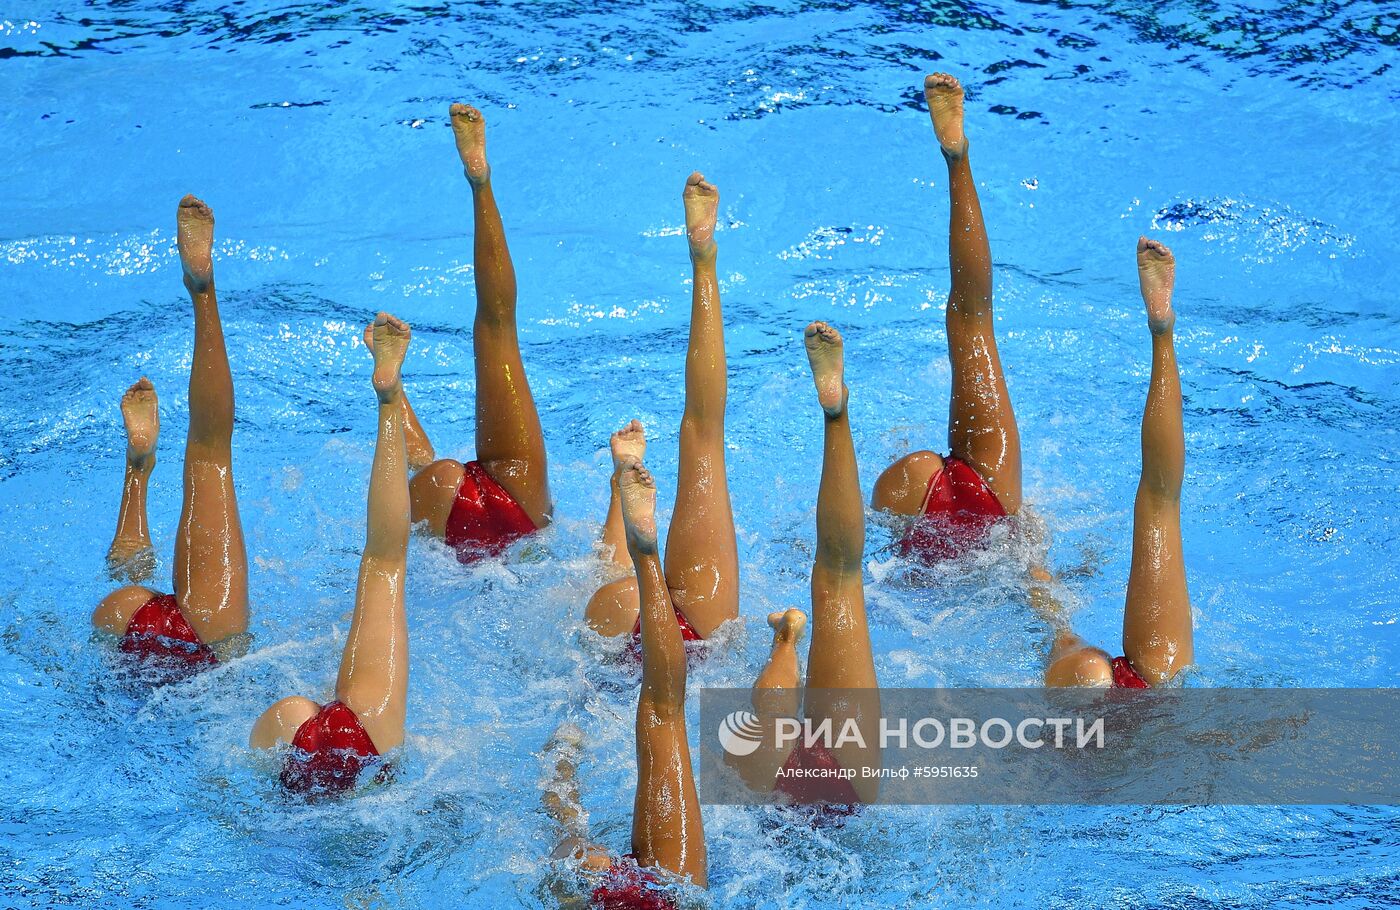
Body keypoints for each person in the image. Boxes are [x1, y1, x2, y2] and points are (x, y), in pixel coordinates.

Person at [368, 103, 550, 563]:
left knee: (497, 327)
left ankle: (480, 185)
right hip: (514, 510)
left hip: (450, 501)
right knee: (497, 328)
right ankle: (481, 183)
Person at [249, 313, 413, 793]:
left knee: (385, 563)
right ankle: (389, 402)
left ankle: (389, 402)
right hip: (295, 732)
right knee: (383, 563)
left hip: (344, 748)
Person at [725, 322, 881, 810]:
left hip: (822, 786)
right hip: (834, 786)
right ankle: (836, 416)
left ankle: (786, 639)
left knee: (841, 579)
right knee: (839, 578)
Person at [92, 195, 249, 671]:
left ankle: (138, 470)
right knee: (209, 454)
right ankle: (202, 292)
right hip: (206, 647)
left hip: (126, 623)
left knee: (209, 452)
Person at [545, 457, 708, 906]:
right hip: (652, 895)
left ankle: (646, 553)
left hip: (665, 898)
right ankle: (645, 552)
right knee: (663, 714)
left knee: (664, 713)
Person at [872, 74, 1022, 562]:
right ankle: (957, 158)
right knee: (971, 321)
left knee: (972, 321)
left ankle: (957, 158)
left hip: (945, 508)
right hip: (971, 504)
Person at [584, 173, 738, 645]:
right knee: (703, 441)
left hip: (623, 623)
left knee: (606, 580)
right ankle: (703, 261)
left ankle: (629, 510)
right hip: (690, 633)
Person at [1039, 239, 1193, 688]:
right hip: (1139, 706)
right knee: (1160, 504)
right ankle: (1161, 331)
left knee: (1161, 504)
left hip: (1140, 693)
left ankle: (1162, 333)